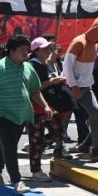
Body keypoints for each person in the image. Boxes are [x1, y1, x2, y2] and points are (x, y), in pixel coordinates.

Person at [0, 35, 49, 195]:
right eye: (22, 50)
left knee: (7, 144)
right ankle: (16, 180)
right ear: (11, 51)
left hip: (22, 114)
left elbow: (35, 90)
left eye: (27, 50)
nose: (26, 53)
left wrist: (45, 105)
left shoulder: (28, 68)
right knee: (10, 146)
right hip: (3, 114)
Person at [62, 16, 98, 158]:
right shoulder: (79, 42)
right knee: (63, 119)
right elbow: (66, 65)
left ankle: (95, 146)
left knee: (96, 113)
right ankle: (58, 147)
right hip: (70, 88)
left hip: (86, 87)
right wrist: (73, 86)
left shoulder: (95, 44)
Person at [27, 37, 66, 181]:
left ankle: (36, 146)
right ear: (36, 51)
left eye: (48, 48)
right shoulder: (32, 65)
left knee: (59, 132)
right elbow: (34, 88)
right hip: (36, 107)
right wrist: (52, 81)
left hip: (46, 106)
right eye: (45, 49)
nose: (48, 51)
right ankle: (36, 172)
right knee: (37, 136)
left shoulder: (44, 63)